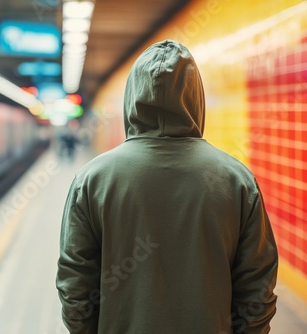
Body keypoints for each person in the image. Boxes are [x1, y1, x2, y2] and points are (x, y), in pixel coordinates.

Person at [56, 40, 278, 334]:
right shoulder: (237, 180)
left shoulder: (92, 179)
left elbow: (75, 285)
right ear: (196, 98)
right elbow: (258, 288)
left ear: (131, 97)